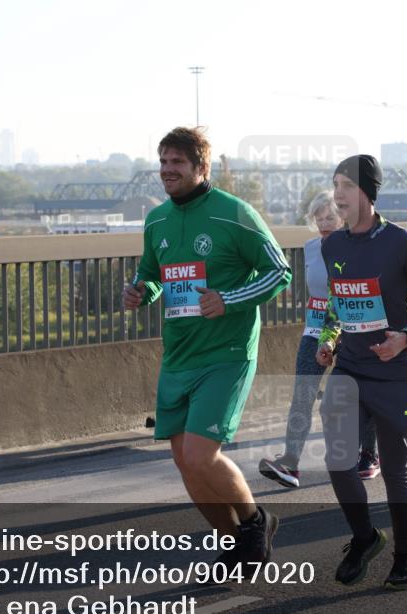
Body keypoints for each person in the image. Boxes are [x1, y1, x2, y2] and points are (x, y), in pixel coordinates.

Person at [123, 127, 292, 567]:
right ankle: (233, 540)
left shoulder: (234, 213)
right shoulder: (156, 219)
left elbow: (280, 272)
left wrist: (229, 299)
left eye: (177, 162)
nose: (167, 170)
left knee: (201, 454)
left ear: (201, 167)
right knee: (185, 462)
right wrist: (142, 291)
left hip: (227, 353)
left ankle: (256, 521)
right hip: (179, 354)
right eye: (162, 162)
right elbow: (153, 273)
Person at [316, 155, 407, 590]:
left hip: (396, 369)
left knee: (394, 467)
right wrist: (329, 337)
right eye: (335, 185)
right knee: (338, 459)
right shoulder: (331, 244)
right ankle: (364, 537)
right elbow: (339, 301)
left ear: (368, 193)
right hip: (350, 366)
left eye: (347, 186)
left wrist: (405, 338)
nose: (338, 194)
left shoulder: (400, 241)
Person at [259, 192, 378, 488]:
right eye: (318, 217)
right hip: (315, 328)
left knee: (362, 393)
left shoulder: (358, 247)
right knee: (302, 393)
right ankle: (290, 462)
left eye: (330, 217)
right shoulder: (310, 247)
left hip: (352, 328)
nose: (324, 223)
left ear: (343, 218)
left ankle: (368, 455)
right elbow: (314, 291)